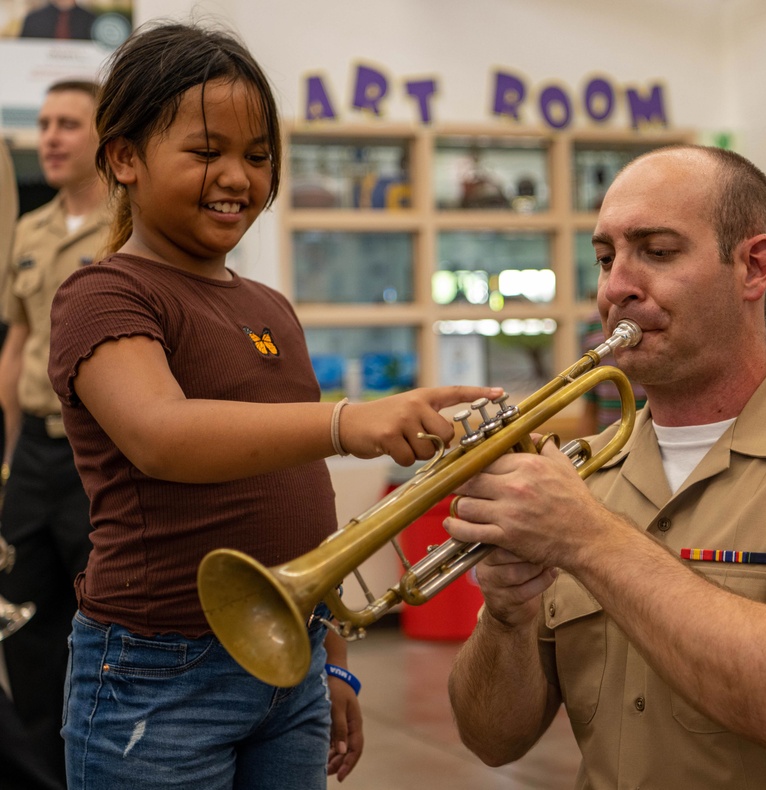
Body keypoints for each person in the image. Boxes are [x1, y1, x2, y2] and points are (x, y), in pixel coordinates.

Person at [46, 22, 501, 790]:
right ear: (123, 157)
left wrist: (334, 660)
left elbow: (301, 498)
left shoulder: (268, 307)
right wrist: (345, 420)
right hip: (158, 674)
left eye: (258, 157)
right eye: (206, 152)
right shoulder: (103, 295)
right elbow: (161, 435)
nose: (237, 177)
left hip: (288, 654)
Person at [446, 144, 766, 788]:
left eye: (656, 252)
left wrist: (586, 537)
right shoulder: (585, 473)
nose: (615, 288)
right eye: (605, 258)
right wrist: (506, 615)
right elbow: (491, 740)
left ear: (753, 268)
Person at [0, 79, 108, 788]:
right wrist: (8, 460)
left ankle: (103, 768)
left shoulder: (132, 230)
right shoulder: (30, 231)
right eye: (44, 123)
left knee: (100, 626)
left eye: (69, 123)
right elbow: (17, 343)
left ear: (108, 138)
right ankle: (44, 776)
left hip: (101, 456)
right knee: (27, 629)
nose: (51, 137)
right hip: (35, 454)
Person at [577, 309, 647, 436]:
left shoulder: (648, 315)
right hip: (605, 441)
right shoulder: (593, 323)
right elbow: (591, 404)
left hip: (647, 439)